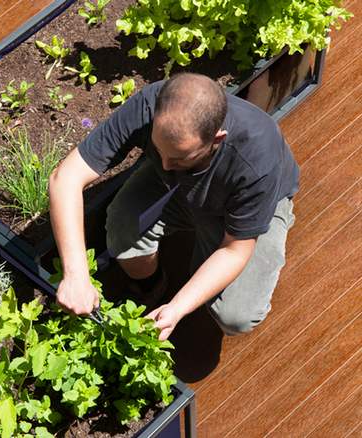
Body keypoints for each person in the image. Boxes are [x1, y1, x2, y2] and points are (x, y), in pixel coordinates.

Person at [48, 73, 298, 341]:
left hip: (236, 209)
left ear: (217, 139)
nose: (165, 165)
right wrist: (75, 274)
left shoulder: (256, 159)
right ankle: (151, 287)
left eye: (179, 157)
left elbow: (235, 250)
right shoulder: (150, 105)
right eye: (159, 149)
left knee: (236, 315)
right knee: (123, 229)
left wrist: (176, 309)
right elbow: (65, 178)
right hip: (177, 190)